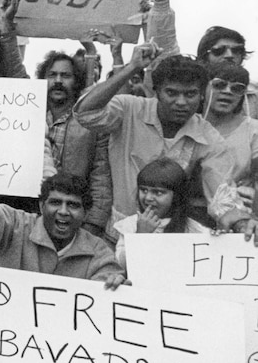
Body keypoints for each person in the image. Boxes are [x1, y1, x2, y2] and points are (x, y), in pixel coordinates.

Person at [0, 122, 125, 363]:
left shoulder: (99, 251)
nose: (62, 212)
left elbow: (107, 300)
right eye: (55, 203)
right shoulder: (17, 226)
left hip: (65, 356)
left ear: (85, 213)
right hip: (7, 343)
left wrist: (115, 283)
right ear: (40, 205)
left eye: (72, 206)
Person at [74, 46, 255, 235]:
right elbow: (86, 114)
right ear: (157, 91)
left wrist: (242, 224)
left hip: (172, 240)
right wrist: (133, 67)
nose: (181, 102)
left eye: (190, 94)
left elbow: (222, 197)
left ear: (202, 94)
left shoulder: (209, 136)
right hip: (118, 235)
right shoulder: (129, 108)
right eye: (172, 93)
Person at [35, 51, 113, 244]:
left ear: (76, 81)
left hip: (70, 216)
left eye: (65, 76)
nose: (58, 81)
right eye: (52, 75)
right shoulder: (29, 114)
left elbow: (101, 174)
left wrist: (94, 222)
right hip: (30, 211)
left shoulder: (90, 122)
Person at [114, 158, 210, 272]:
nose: (148, 198)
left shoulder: (194, 229)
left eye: (158, 192)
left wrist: (219, 241)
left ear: (176, 196)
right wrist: (140, 236)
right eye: (144, 190)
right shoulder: (130, 226)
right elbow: (120, 266)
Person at [204, 64, 258, 210]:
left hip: (237, 210)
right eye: (219, 85)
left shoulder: (253, 130)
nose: (227, 91)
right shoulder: (189, 125)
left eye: (237, 88)